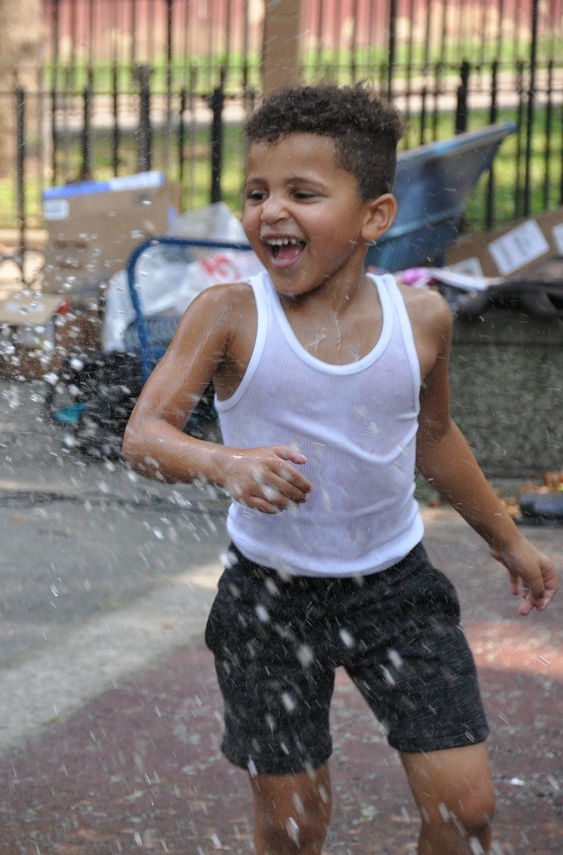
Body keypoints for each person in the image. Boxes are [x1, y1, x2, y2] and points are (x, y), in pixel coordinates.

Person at [121, 83, 558, 855]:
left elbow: (434, 437)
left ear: (373, 217)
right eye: (256, 193)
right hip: (269, 600)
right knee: (293, 828)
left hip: (395, 588)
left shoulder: (420, 319)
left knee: (467, 808)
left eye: (302, 192)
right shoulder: (228, 314)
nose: (269, 211)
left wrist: (507, 541)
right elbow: (144, 435)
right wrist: (223, 462)